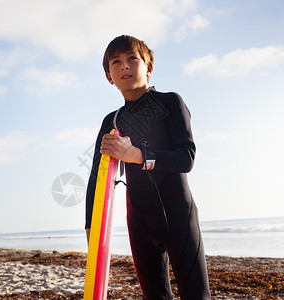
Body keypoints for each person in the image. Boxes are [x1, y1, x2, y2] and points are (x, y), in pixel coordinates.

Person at [85, 35, 211, 299]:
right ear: (109, 76)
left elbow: (186, 158)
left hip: (179, 217)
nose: (124, 66)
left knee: (197, 296)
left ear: (149, 67)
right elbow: (97, 177)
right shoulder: (112, 120)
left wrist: (138, 155)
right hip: (140, 223)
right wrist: (91, 225)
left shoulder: (169, 103)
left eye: (132, 58)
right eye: (115, 62)